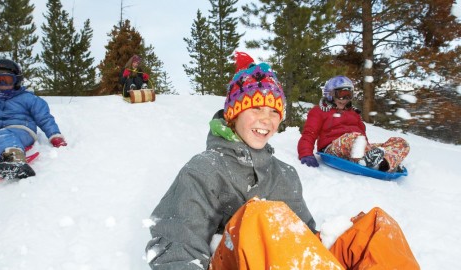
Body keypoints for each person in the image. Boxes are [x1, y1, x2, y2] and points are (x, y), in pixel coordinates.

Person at [145, 53, 419, 269]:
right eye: (256, 108)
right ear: (233, 115)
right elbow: (176, 245)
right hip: (231, 262)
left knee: (374, 229)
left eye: (274, 111)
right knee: (262, 215)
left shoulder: (284, 174)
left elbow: (303, 240)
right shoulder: (204, 168)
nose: (266, 119)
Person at [298, 75, 410, 172]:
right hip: (333, 147)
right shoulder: (319, 111)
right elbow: (309, 133)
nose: (345, 99)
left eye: (348, 95)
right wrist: (306, 153)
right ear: (330, 94)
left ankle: (383, 163)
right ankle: (369, 159)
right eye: (341, 94)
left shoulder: (353, 113)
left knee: (401, 143)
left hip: (357, 145)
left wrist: (369, 148)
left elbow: (363, 137)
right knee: (355, 138)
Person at [0, 59, 67, 180]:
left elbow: (44, 118)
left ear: (17, 80)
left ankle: (14, 160)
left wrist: (55, 136)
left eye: (7, 79)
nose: (2, 83)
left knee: (3, 134)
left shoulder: (28, 98)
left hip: (22, 132)